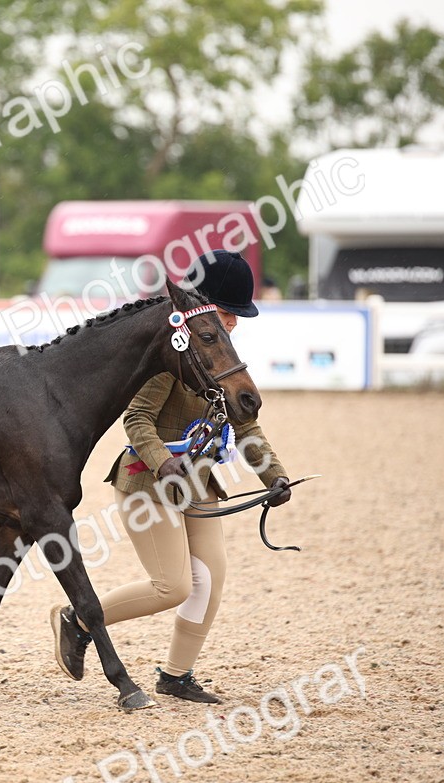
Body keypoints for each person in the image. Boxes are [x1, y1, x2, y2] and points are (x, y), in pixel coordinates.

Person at [50, 250, 290, 705]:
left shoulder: (220, 356)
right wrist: (163, 461)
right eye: (227, 313)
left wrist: (273, 476)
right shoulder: (169, 354)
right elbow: (136, 419)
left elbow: (245, 425)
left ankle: (176, 676)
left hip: (198, 484)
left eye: (236, 316)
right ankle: (77, 619)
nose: (233, 323)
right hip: (148, 481)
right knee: (173, 586)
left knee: (210, 579)